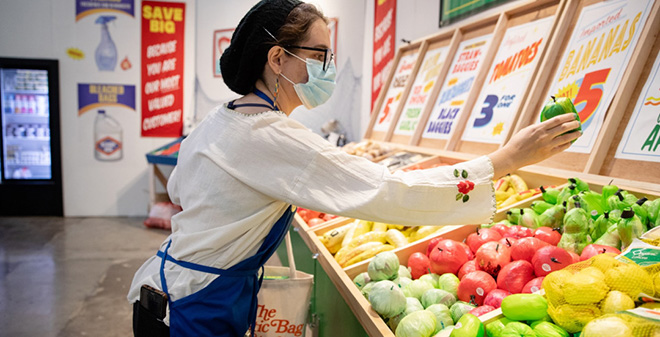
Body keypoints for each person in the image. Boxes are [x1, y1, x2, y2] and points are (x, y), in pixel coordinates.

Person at [128, 0, 582, 336]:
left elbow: (181, 194)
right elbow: (386, 189)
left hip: (167, 290)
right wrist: (505, 161)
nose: (330, 66)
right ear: (278, 58)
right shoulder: (267, 135)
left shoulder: (222, 117)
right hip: (193, 308)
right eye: (320, 54)